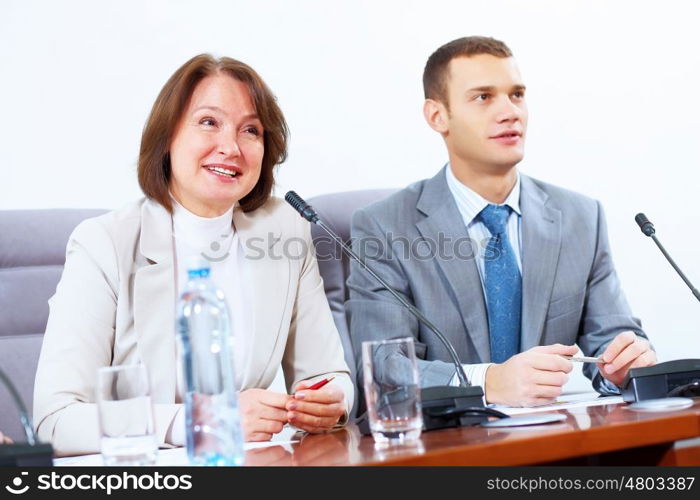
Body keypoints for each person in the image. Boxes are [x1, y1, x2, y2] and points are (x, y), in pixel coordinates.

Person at [33, 54, 353, 456]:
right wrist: (204, 421)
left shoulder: (284, 231)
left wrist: (333, 401)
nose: (231, 147)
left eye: (250, 130)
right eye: (208, 122)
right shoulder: (104, 243)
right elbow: (56, 420)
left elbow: (329, 374)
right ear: (168, 136)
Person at [347, 36, 656, 408]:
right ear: (437, 116)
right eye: (483, 97)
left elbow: (612, 336)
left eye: (517, 94)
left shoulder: (580, 218)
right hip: (448, 449)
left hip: (558, 442)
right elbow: (383, 370)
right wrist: (488, 381)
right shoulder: (384, 227)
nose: (510, 112)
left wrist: (624, 364)